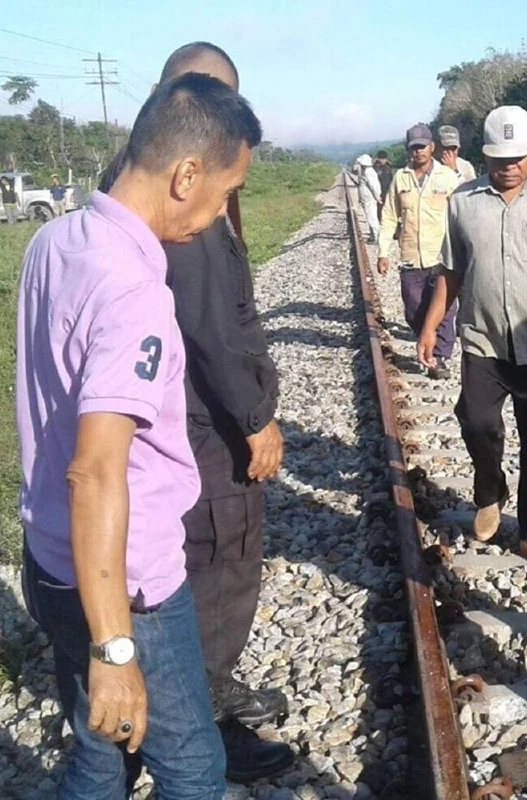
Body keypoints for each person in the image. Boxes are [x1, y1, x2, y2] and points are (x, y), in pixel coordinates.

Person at [16, 71, 261, 799]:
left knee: (99, 757)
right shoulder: (134, 293)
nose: (220, 215)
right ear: (186, 174)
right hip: (127, 587)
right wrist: (116, 645)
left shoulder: (55, 242)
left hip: (53, 560)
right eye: (222, 195)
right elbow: (95, 472)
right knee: (193, 770)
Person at [98, 41, 294, 782]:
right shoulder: (188, 197)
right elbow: (213, 322)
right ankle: (205, 722)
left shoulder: (128, 180)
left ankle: (199, 692)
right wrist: (255, 416)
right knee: (220, 561)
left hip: (165, 417)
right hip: (205, 423)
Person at [418, 106, 527, 566]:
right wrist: (432, 326)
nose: (508, 167)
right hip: (483, 342)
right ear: (483, 155)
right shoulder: (463, 203)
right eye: (497, 158)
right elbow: (451, 272)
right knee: (476, 420)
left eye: (518, 157)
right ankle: (489, 490)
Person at [378, 123, 461, 379]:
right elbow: (389, 216)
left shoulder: (447, 177)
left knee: (445, 309)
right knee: (414, 310)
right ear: (408, 150)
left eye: (422, 147)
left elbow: (460, 214)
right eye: (413, 148)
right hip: (411, 258)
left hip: (442, 257)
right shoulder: (400, 179)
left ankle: (439, 357)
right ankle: (427, 335)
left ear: (431, 147)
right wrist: (383, 252)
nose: (418, 152)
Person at [356, 153, 382, 243]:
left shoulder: (368, 172)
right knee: (369, 217)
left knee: (372, 218)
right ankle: (373, 236)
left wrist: (377, 196)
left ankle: (377, 237)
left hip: (369, 198)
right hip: (366, 198)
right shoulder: (365, 171)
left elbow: (374, 186)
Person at [373, 149, 394, 219]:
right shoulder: (374, 168)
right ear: (378, 159)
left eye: (384, 159)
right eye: (381, 159)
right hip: (378, 190)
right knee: (378, 207)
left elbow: (391, 178)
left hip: (387, 190)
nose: (383, 160)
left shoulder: (388, 167)